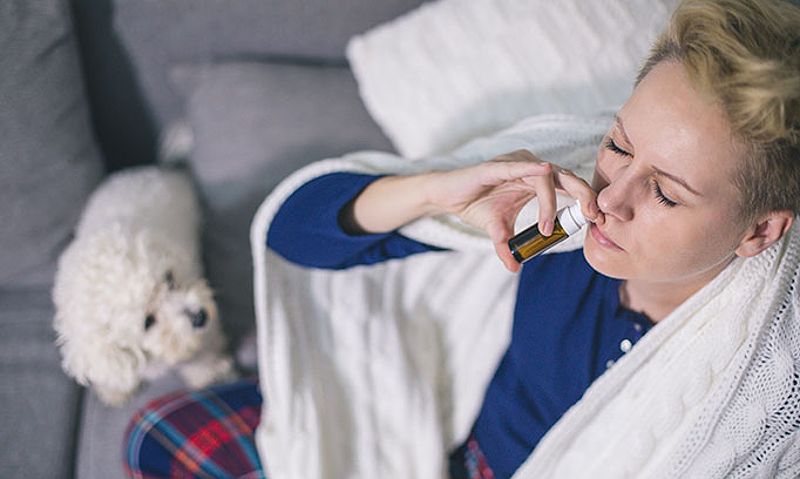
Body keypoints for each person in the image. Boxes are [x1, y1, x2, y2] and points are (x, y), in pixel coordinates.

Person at [124, 0, 800, 477]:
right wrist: (431, 193)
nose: (612, 198)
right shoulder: (552, 216)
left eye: (667, 192)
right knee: (155, 433)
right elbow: (296, 237)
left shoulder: (762, 379)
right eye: (621, 145)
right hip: (436, 442)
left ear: (760, 230)